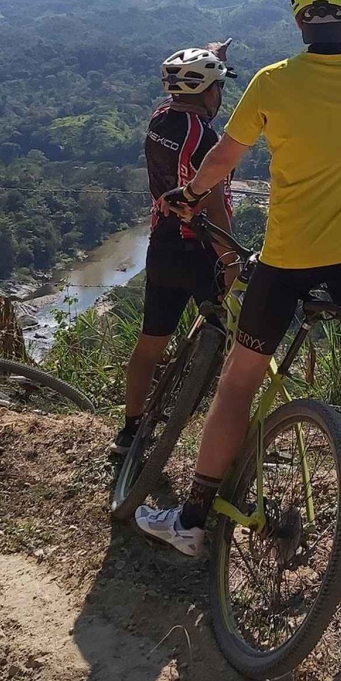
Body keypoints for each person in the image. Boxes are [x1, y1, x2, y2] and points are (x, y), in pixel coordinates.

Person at [135, 0, 341, 556]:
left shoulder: (271, 83)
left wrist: (189, 195)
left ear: (299, 24)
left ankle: (192, 520)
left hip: (284, 262)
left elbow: (224, 155)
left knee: (239, 385)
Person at [109, 42, 239, 460]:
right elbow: (214, 202)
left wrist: (208, 53)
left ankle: (129, 431)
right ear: (208, 93)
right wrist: (232, 260)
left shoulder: (160, 119)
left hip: (163, 244)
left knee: (150, 343)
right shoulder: (205, 136)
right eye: (218, 86)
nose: (220, 95)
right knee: (236, 341)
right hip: (200, 249)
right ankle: (230, 436)